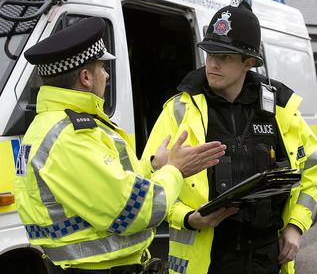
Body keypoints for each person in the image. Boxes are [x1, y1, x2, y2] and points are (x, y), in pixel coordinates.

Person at [13, 17, 226, 273]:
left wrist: (154, 166)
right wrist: (175, 170)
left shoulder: (50, 125)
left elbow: (111, 188)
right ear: (85, 77)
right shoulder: (71, 136)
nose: (106, 75)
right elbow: (135, 211)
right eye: (102, 67)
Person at [141, 0, 317, 274]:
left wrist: (295, 226)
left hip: (268, 257)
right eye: (210, 54)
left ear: (248, 62)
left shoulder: (280, 109)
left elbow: (313, 170)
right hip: (209, 259)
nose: (212, 64)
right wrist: (189, 219)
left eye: (224, 57)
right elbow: (145, 182)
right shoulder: (179, 110)